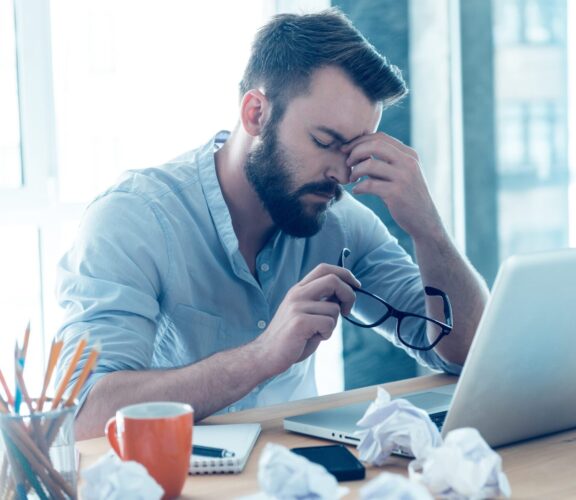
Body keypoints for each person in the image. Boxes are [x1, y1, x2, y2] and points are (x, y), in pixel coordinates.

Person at [56, 9, 489, 439]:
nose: (341, 173)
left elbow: (463, 352)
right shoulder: (133, 221)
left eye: (354, 151)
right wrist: (262, 356)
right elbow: (86, 416)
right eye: (324, 142)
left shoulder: (342, 224)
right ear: (256, 113)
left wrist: (428, 228)